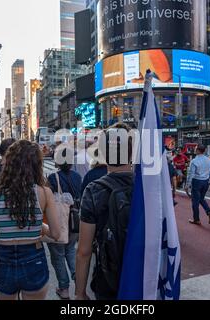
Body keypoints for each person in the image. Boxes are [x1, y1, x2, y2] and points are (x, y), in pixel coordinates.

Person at [0, 140, 60, 300]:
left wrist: (0, 231)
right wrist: (40, 227)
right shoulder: (44, 193)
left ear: (9, 163)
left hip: (3, 261)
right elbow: (56, 234)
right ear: (37, 165)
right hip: (34, 258)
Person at [76, 123, 134, 300]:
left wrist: (79, 293)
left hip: (108, 278)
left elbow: (84, 251)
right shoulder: (148, 187)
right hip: (143, 275)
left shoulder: (94, 190)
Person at [47, 148, 82, 300]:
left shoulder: (53, 177)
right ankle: (79, 283)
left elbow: (48, 200)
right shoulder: (77, 176)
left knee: (58, 255)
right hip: (74, 220)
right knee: (71, 251)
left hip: (59, 221)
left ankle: (64, 288)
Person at [185, 145, 210, 226]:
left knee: (195, 201)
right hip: (205, 181)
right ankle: (209, 212)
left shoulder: (194, 161)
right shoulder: (209, 160)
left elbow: (191, 174)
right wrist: (208, 182)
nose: (194, 150)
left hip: (196, 181)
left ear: (198, 150)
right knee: (201, 198)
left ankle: (196, 219)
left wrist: (187, 185)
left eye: (195, 149)